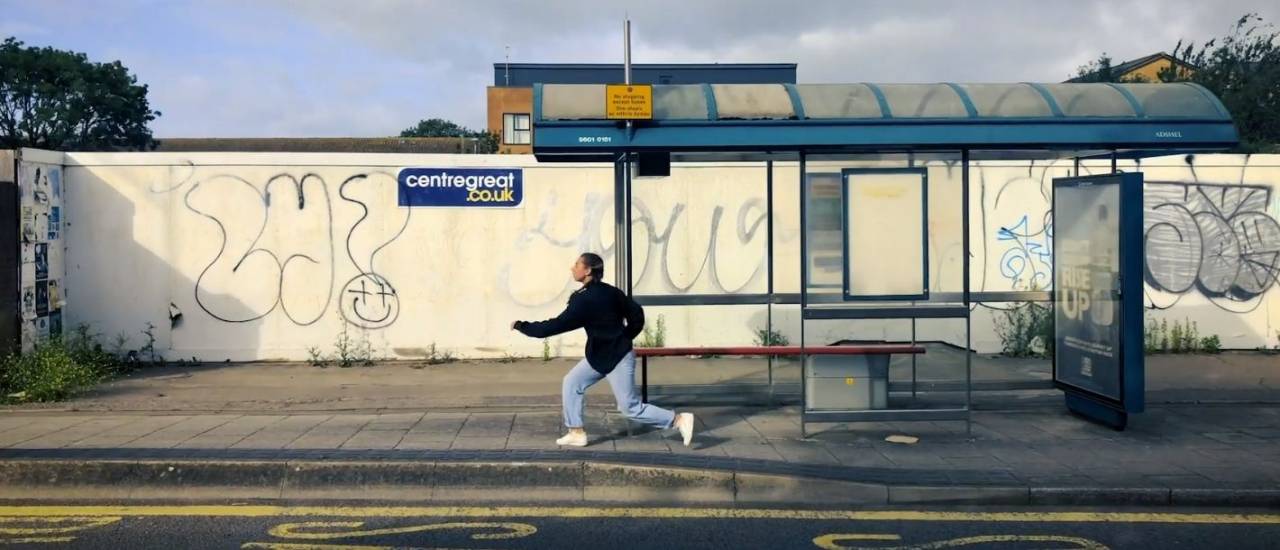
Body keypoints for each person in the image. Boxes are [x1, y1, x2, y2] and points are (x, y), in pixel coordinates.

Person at [512, 252, 695, 448]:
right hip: (600, 356)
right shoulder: (611, 292)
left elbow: (554, 326)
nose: (572, 268)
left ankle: (678, 420)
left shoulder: (583, 300)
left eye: (576, 264)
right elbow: (637, 314)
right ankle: (576, 432)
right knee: (572, 382)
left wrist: (522, 326)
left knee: (630, 407)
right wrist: (625, 336)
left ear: (588, 270)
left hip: (617, 357)